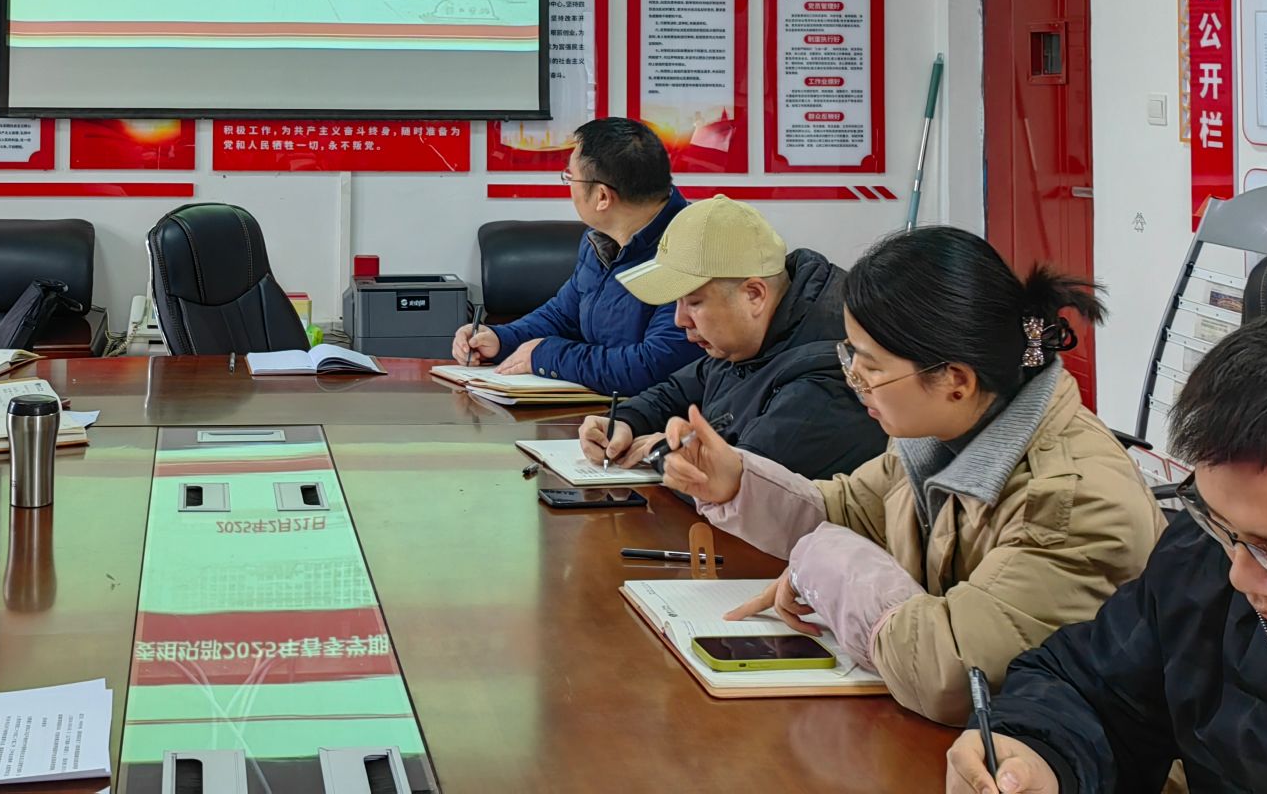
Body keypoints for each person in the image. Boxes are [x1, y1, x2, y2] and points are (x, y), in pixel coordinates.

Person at [659, 226, 1161, 724]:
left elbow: (954, 673)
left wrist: (822, 565)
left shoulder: (1074, 505)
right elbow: (853, 509)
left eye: (871, 367)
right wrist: (737, 481)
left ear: (955, 381)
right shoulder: (939, 431)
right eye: (850, 356)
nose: (855, 381)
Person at [946, 310, 1267, 794]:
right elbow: (1094, 689)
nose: (1242, 577)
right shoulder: (1199, 561)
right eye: (1221, 523)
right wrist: (1039, 756)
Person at [578, 196, 881, 481]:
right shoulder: (749, 339)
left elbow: (746, 483)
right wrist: (627, 421)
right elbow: (678, 390)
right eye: (677, 302)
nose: (680, 320)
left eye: (694, 302)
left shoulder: (826, 373)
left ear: (754, 295)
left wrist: (665, 453)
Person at [450, 117, 701, 396]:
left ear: (602, 197)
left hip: (661, 416)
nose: (568, 186)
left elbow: (651, 366)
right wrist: (500, 338)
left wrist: (548, 355)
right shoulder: (599, 241)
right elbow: (564, 315)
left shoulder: (691, 249)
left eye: (570, 177)